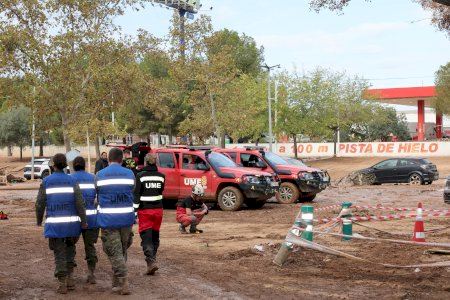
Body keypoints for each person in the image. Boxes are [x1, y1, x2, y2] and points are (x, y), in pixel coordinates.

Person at [35, 153, 87, 294]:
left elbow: (39, 204)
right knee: (70, 250)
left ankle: (62, 283)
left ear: (53, 165)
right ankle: (70, 279)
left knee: (59, 253)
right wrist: (83, 222)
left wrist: (39, 220)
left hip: (55, 226)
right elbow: (79, 203)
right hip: (71, 225)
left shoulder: (46, 181)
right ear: (64, 165)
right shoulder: (72, 181)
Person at [96, 148, 135, 295]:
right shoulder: (130, 174)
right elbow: (132, 190)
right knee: (122, 249)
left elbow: (97, 194)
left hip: (108, 220)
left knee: (113, 251)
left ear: (108, 159)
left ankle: (124, 280)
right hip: (126, 219)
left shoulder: (100, 175)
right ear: (121, 159)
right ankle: (117, 282)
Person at [133, 153, 165, 275]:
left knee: (146, 236)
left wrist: (134, 211)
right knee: (155, 235)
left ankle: (151, 261)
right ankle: (153, 260)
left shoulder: (140, 176)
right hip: (158, 210)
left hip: (145, 210)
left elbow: (136, 195)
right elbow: (160, 191)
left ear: (146, 162)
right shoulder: (162, 176)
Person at [71, 156, 99, 284]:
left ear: (74, 166)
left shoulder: (70, 178)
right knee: (90, 246)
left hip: (73, 220)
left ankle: (69, 275)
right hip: (92, 219)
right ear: (84, 165)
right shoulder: (93, 178)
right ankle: (91, 274)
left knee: (69, 246)